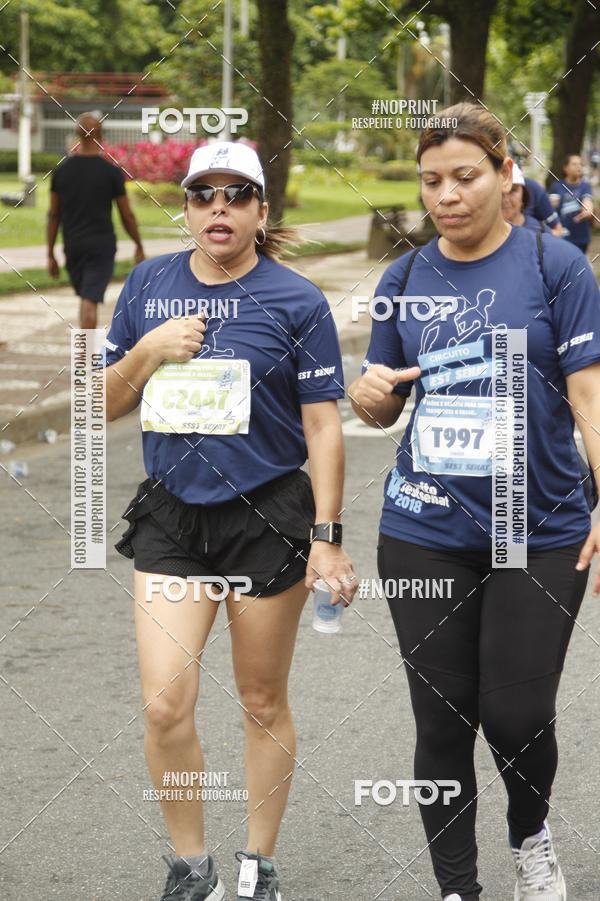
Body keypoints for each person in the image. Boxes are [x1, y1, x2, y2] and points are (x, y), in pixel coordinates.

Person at [349, 103, 600, 901]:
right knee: (442, 721)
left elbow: (590, 401)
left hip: (542, 525)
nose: (446, 196)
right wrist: (369, 394)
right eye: (431, 182)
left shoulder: (558, 268)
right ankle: (457, 888)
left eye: (464, 177)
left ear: (504, 175)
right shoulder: (406, 277)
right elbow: (382, 402)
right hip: (423, 525)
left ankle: (530, 839)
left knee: (518, 716)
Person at [104, 140, 357, 901]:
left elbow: (323, 426)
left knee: (259, 699)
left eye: (237, 194)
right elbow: (100, 404)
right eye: (203, 194)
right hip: (174, 517)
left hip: (267, 515)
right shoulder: (147, 286)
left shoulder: (296, 300)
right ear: (184, 209)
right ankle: (190, 862)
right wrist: (147, 350)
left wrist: (327, 536)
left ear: (261, 212)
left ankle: (259, 862)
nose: (219, 207)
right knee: (163, 702)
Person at [47, 112, 145, 329]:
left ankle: (83, 357)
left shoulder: (61, 171)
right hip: (101, 246)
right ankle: (87, 359)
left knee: (86, 297)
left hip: (73, 246)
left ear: (77, 136)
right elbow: (126, 214)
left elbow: (53, 215)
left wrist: (50, 254)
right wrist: (138, 244)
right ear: (101, 137)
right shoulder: (111, 173)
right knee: (89, 301)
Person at [549, 154, 595, 254]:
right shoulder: (556, 186)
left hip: (581, 238)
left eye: (580, 164)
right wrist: (551, 204)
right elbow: (550, 208)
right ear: (566, 168)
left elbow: (587, 200)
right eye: (574, 164)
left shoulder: (585, 186)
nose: (578, 167)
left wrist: (588, 209)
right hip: (562, 237)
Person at [502, 163, 552, 233]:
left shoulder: (540, 233)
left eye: (513, 190)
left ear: (523, 195)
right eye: (499, 190)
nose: (505, 198)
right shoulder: (483, 234)